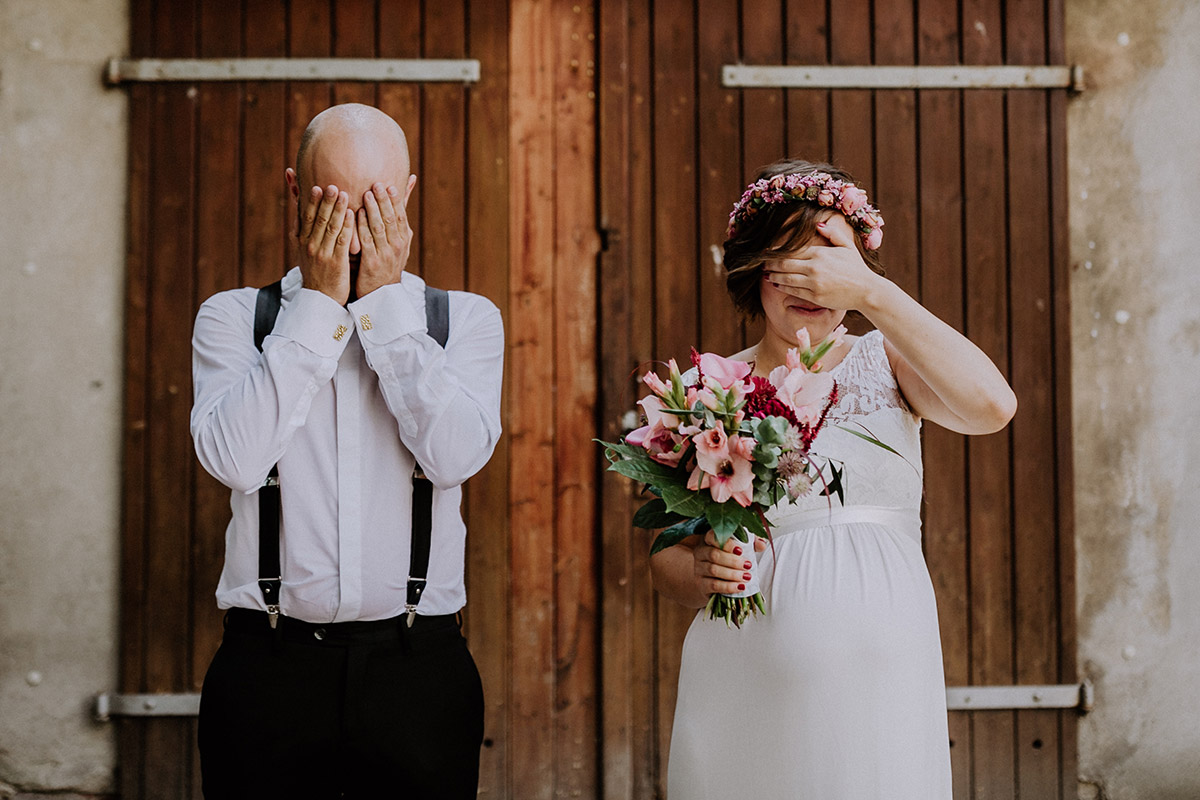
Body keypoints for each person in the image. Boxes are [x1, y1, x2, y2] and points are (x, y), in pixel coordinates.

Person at [650, 159, 1017, 799]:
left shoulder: (885, 359)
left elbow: (993, 406)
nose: (808, 279)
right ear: (753, 269)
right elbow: (667, 562)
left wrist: (874, 293)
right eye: (787, 257)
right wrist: (702, 569)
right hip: (744, 675)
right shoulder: (708, 390)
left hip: (880, 666)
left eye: (826, 258)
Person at [190, 103, 503, 798]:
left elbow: (455, 458)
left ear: (409, 195)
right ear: (296, 191)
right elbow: (235, 461)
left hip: (418, 669)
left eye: (379, 205)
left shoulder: (465, 322)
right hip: (268, 669)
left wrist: (385, 307)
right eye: (336, 203)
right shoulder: (235, 318)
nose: (357, 232)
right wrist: (321, 308)